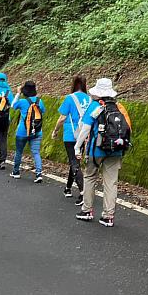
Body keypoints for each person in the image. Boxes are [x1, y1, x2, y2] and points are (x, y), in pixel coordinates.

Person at [74, 78, 130, 227]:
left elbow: (85, 129)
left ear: (98, 93)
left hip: (96, 150)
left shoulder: (94, 106)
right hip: (115, 151)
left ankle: (86, 210)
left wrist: (77, 147)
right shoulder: (119, 107)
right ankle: (108, 216)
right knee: (111, 183)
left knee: (90, 177)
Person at [51, 75, 90, 204]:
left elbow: (62, 118)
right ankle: (68, 188)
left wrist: (55, 130)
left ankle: (83, 192)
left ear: (73, 84)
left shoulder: (70, 98)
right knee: (75, 161)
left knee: (74, 162)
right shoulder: (89, 99)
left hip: (70, 135)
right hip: (84, 135)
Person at [10, 81, 46, 183]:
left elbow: (13, 106)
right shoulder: (40, 101)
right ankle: (39, 174)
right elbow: (42, 111)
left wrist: (17, 93)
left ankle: (16, 172)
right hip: (37, 131)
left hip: (23, 131)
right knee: (36, 152)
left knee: (19, 151)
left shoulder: (22, 102)